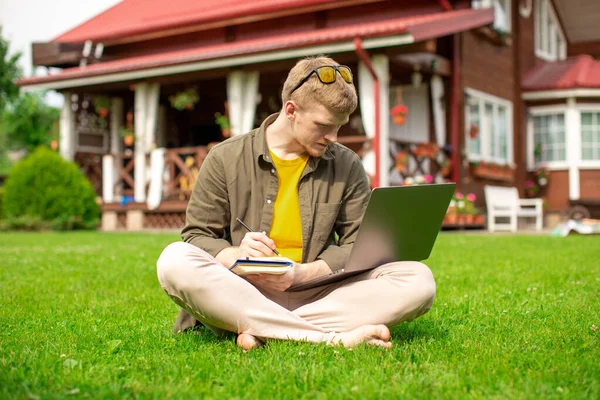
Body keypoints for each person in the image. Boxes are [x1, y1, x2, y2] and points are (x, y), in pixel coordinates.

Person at [156, 56, 436, 350]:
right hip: (242, 289)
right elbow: (197, 236)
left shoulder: (347, 165)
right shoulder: (224, 158)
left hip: (320, 293)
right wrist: (238, 257)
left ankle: (262, 327)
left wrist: (305, 272)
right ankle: (331, 338)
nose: (333, 137)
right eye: (323, 125)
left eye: (339, 127)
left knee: (419, 279)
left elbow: (358, 246)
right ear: (291, 110)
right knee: (174, 259)